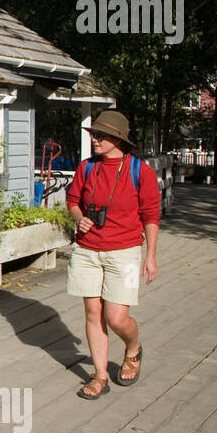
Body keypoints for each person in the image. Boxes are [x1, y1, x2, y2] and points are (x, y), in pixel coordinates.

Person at [66, 111, 160, 399]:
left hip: (125, 251)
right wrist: (79, 217)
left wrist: (150, 255)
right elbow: (72, 201)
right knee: (94, 313)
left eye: (101, 135)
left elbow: (151, 214)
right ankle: (100, 376)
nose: (94, 139)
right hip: (87, 250)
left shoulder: (140, 172)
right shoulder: (87, 168)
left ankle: (133, 348)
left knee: (117, 318)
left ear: (118, 140)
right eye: (94, 134)